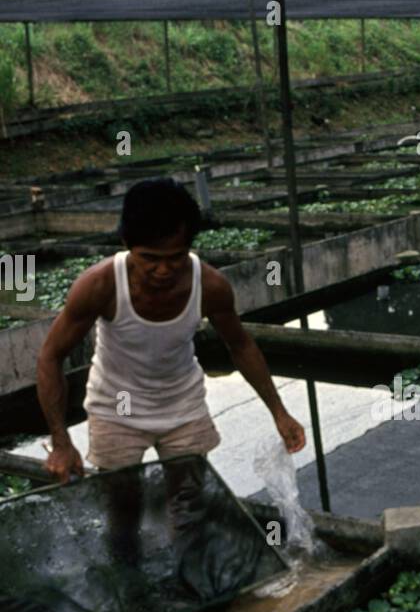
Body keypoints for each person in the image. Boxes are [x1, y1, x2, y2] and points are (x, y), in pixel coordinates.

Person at [36, 177, 306, 482]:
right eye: (149, 258)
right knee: (121, 505)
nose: (163, 271)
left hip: (182, 404)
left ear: (189, 247)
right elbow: (50, 356)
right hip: (117, 407)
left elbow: (240, 346)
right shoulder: (100, 285)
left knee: (189, 502)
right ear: (126, 243)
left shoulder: (210, 286)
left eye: (175, 257)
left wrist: (279, 413)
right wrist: (61, 442)